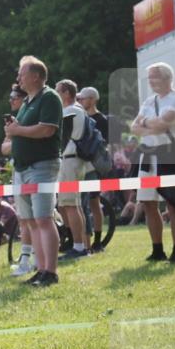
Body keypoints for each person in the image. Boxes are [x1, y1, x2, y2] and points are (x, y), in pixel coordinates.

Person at [5, 55, 63, 287]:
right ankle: (41, 270)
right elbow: (22, 130)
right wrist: (14, 130)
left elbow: (47, 130)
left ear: (36, 76)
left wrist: (18, 131)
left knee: (43, 219)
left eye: (22, 73)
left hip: (41, 166)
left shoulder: (49, 97)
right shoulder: (28, 100)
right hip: (23, 168)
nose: (18, 77)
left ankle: (51, 271)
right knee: (30, 221)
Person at [130, 62, 175, 262]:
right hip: (148, 155)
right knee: (148, 202)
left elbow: (162, 124)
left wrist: (146, 124)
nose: (150, 81)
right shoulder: (149, 101)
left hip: (169, 155)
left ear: (167, 78)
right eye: (149, 77)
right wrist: (150, 124)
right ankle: (157, 249)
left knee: (173, 203)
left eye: (153, 76)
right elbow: (134, 127)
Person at [55, 80, 90, 259]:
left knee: (70, 204)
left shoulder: (71, 111)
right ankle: (78, 244)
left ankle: (78, 247)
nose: (56, 95)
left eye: (58, 92)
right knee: (70, 204)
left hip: (71, 160)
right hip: (71, 161)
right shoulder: (77, 110)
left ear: (67, 93)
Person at [3, 83, 36, 275]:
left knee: (35, 219)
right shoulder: (15, 121)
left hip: (32, 169)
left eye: (13, 98)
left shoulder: (27, 119)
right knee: (23, 218)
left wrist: (16, 136)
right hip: (19, 169)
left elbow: (10, 146)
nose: (10, 101)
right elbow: (4, 148)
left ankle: (36, 258)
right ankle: (26, 258)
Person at [77, 86, 110, 251]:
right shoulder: (80, 117)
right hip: (81, 164)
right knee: (83, 202)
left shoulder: (101, 119)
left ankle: (97, 239)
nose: (80, 101)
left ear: (92, 99)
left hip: (94, 165)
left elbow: (102, 144)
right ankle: (82, 239)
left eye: (83, 98)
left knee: (94, 202)